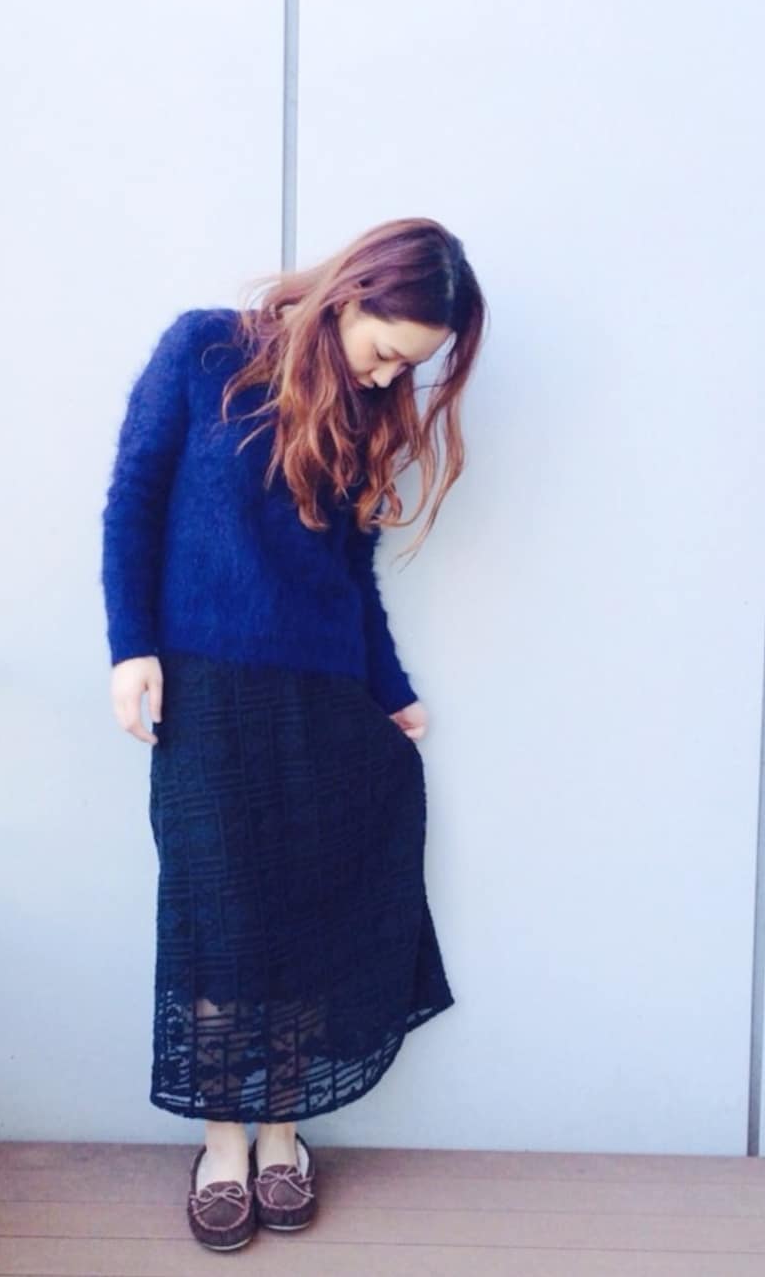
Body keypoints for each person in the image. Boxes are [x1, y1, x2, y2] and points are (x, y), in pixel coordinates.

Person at [100, 217, 487, 1251]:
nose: (386, 376)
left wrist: (388, 688)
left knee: (306, 909)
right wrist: (131, 647)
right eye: (385, 349)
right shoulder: (205, 350)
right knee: (217, 915)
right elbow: (133, 501)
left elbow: (351, 573)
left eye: (406, 367)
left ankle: (282, 1131)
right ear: (352, 293)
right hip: (204, 693)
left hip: (321, 695)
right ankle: (221, 1144)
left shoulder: (364, 414)